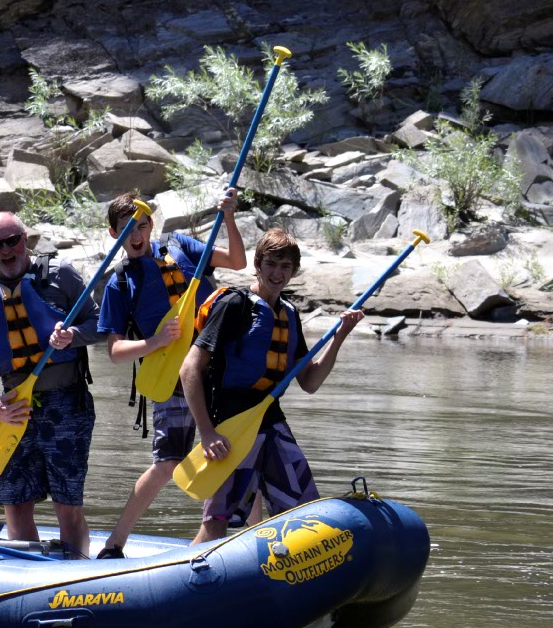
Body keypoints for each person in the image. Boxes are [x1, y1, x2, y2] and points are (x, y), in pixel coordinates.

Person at [180, 228, 364, 544]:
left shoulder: (288, 313)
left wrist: (339, 338)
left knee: (305, 512)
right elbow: (189, 369)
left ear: (293, 271)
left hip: (271, 421)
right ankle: (189, 570)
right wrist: (207, 432)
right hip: (230, 428)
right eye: (271, 264)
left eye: (285, 267)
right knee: (217, 523)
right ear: (257, 265)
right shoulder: (234, 305)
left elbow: (310, 381)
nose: (277, 273)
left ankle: (292, 565)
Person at [94, 190, 246, 558]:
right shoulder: (119, 282)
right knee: (167, 463)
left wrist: (228, 217)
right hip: (171, 376)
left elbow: (238, 262)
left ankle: (241, 535)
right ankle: (114, 544)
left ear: (151, 225)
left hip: (217, 370)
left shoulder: (181, 245)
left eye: (142, 225)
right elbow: (114, 351)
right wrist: (155, 341)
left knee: (235, 452)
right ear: (114, 233)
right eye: (127, 228)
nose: (136, 235)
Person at [0, 212, 102, 559]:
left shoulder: (61, 275)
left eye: (12, 240)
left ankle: (76, 573)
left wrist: (73, 336)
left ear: (25, 239)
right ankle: (28, 572)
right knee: (15, 505)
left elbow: (101, 324)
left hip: (67, 406)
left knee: (67, 504)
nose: (6, 250)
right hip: (12, 412)